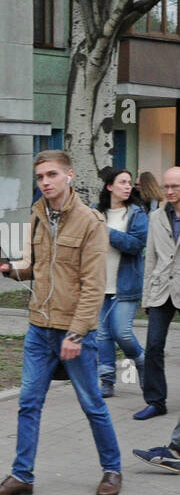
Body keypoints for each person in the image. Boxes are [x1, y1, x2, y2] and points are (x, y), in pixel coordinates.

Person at [0, 150, 122, 495]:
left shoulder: (91, 223)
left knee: (92, 403)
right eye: (40, 177)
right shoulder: (37, 216)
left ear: (69, 176)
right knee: (29, 403)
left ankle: (112, 469)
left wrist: (77, 332)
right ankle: (21, 476)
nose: (45, 182)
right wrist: (10, 270)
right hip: (39, 327)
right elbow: (36, 268)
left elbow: (94, 286)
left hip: (73, 331)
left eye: (51, 175)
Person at [94, 168, 148, 399]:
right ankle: (107, 381)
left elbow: (136, 245)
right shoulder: (97, 213)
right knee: (102, 335)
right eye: (122, 182)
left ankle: (143, 362)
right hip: (98, 284)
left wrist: (106, 232)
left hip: (126, 284)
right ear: (109, 186)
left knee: (122, 333)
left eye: (129, 183)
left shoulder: (137, 213)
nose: (128, 186)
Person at [133, 166, 180, 422]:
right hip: (161, 289)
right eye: (166, 187)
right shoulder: (156, 217)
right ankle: (155, 401)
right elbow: (150, 259)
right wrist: (147, 297)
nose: (170, 191)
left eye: (175, 187)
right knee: (152, 347)